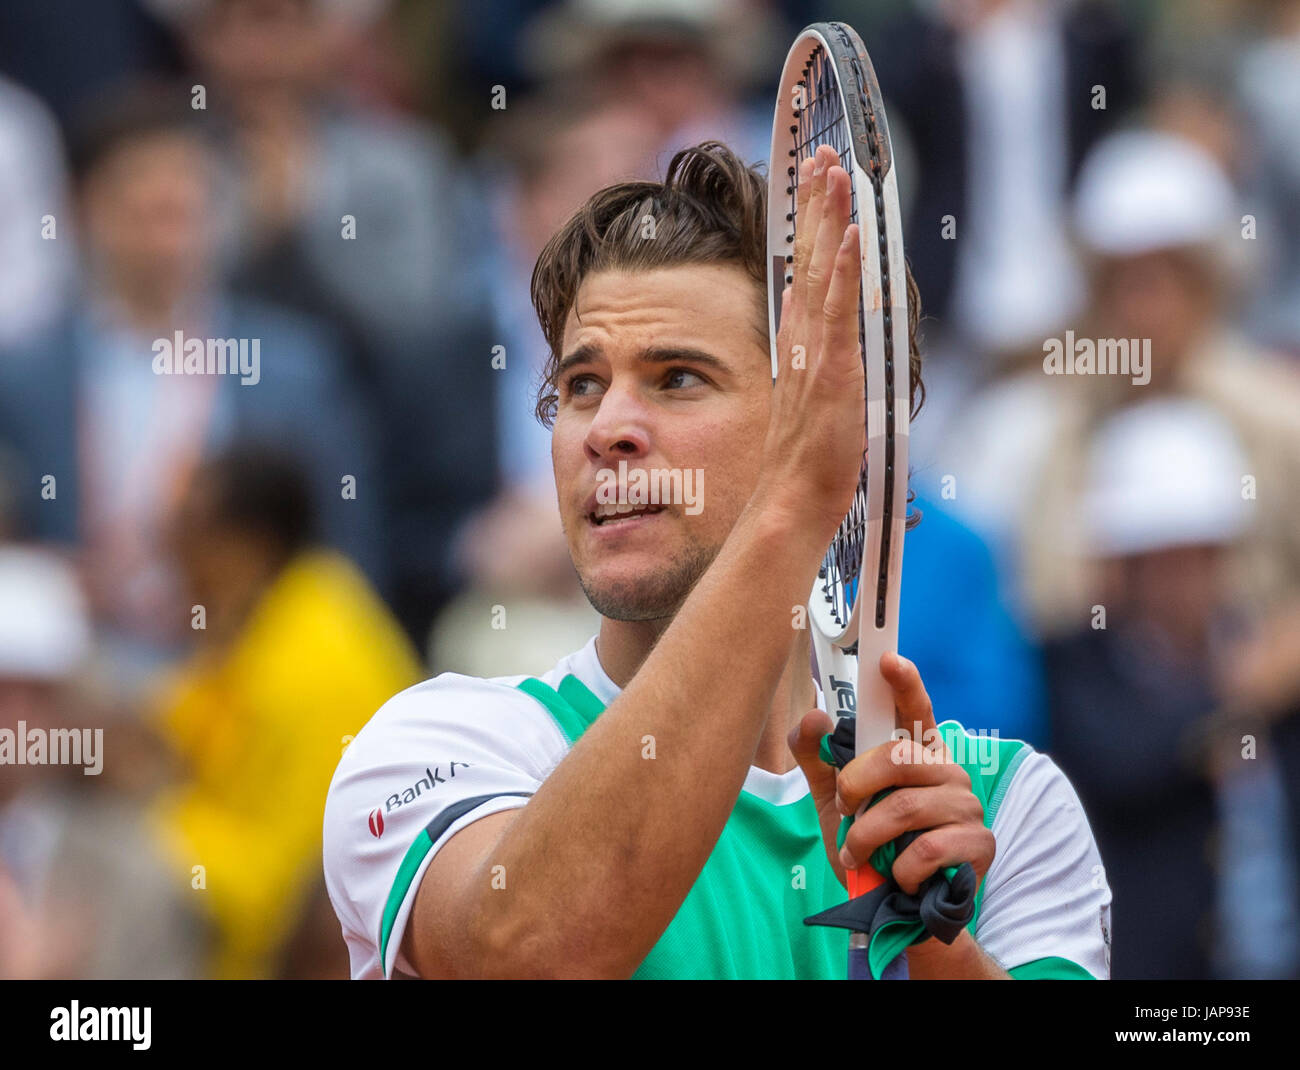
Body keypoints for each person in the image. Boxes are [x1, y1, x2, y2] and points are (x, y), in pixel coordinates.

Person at [323, 142, 1111, 979]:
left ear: (842, 428)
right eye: (581, 385)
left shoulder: (1005, 805)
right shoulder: (438, 745)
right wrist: (793, 503)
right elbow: (529, 957)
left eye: (678, 377)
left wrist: (928, 926)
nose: (604, 428)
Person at [147, 444, 421, 978]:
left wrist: (148, 820)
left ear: (250, 544)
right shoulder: (271, 615)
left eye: (191, 529)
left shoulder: (314, 656)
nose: (172, 547)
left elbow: (290, 891)